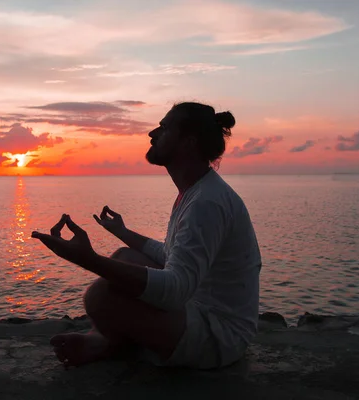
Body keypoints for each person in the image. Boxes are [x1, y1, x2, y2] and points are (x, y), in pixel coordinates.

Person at [31, 101, 262, 369]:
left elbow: (176, 290)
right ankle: (106, 340)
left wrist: (87, 259)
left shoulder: (206, 202)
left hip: (219, 336)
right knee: (125, 256)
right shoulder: (196, 191)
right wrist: (123, 233)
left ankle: (110, 344)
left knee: (101, 296)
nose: (152, 134)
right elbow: (172, 256)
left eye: (164, 128)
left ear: (188, 142)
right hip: (200, 308)